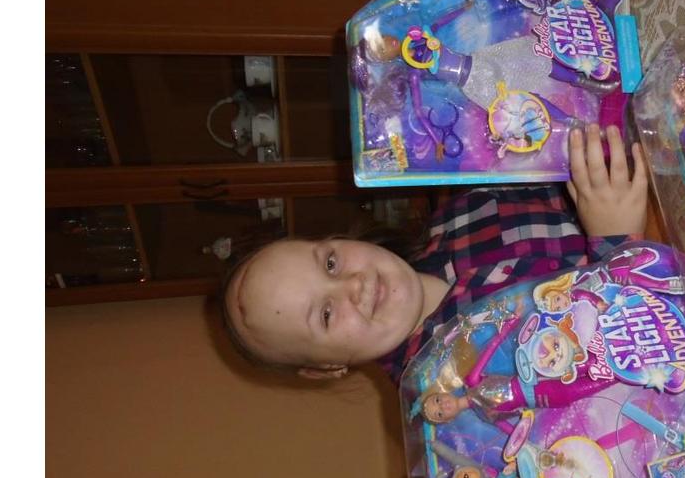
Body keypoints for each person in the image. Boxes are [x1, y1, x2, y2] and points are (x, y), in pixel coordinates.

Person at [221, 124, 649, 383]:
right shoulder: (463, 390)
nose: (355, 284)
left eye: (331, 263)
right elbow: (628, 369)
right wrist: (618, 241)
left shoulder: (456, 218)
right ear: (328, 368)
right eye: (327, 314)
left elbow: (564, 174)